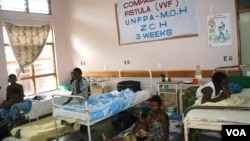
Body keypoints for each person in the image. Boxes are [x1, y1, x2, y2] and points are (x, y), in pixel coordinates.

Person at [102, 95, 169, 141]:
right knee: (139, 128)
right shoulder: (151, 112)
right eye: (150, 105)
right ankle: (112, 140)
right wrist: (142, 121)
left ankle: (112, 140)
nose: (152, 107)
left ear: (160, 105)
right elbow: (146, 122)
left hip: (157, 135)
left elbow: (166, 133)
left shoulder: (163, 116)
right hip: (150, 130)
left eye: (154, 106)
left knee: (135, 135)